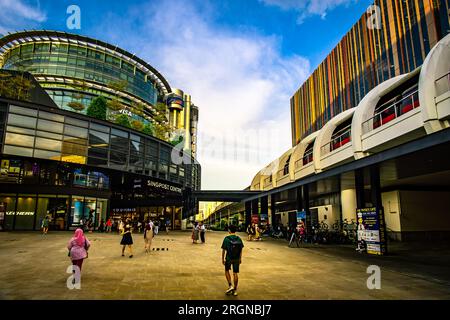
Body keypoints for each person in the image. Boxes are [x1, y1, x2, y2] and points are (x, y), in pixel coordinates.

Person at [221, 225, 244, 296]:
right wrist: (240, 258)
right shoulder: (239, 239)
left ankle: (230, 285)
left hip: (228, 258)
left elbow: (224, 250)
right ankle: (235, 290)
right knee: (235, 273)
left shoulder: (226, 239)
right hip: (236, 258)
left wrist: (222, 259)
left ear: (229, 231)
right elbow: (241, 250)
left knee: (227, 271)